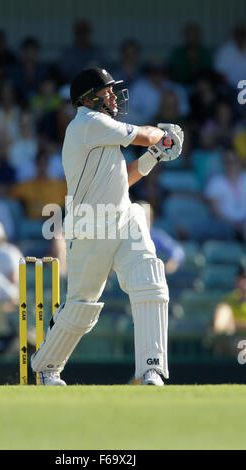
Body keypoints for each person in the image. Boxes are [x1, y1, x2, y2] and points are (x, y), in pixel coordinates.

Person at [31, 67, 184, 386]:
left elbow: (124, 179)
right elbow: (143, 134)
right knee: (81, 306)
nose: (114, 95)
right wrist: (162, 136)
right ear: (88, 98)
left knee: (150, 281)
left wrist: (156, 154)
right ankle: (47, 367)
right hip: (91, 225)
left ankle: (151, 369)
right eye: (107, 90)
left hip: (125, 216)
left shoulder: (103, 132)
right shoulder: (86, 124)